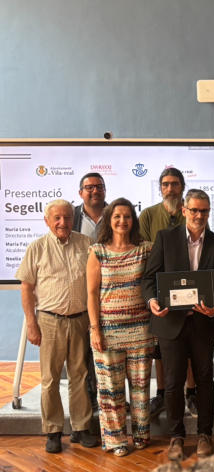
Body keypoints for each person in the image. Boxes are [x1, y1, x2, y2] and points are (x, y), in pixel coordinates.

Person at [142, 189, 214, 460]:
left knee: (204, 380)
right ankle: (176, 437)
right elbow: (149, 278)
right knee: (172, 382)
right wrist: (152, 301)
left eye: (204, 211)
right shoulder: (165, 238)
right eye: (194, 210)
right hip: (171, 322)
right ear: (184, 210)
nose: (199, 215)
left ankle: (205, 434)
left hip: (204, 322)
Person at [16, 199, 99, 454]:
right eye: (57, 218)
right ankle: (53, 431)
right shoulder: (37, 247)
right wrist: (32, 324)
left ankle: (81, 428)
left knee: (80, 376)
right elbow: (26, 288)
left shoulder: (86, 243)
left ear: (73, 219)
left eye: (67, 217)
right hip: (49, 322)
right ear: (47, 221)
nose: (63, 222)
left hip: (81, 320)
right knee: (50, 379)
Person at [86, 198, 155, 457]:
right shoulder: (98, 252)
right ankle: (116, 441)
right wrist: (95, 329)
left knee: (140, 388)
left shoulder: (145, 249)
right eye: (117, 216)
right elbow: (92, 294)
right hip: (107, 332)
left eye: (127, 216)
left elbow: (153, 284)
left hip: (141, 330)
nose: (122, 221)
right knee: (110, 391)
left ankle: (141, 435)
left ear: (133, 220)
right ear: (109, 220)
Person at [140, 168, 196, 418]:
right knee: (160, 348)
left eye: (175, 184)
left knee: (191, 344)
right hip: (159, 290)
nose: (170, 189)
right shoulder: (148, 215)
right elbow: (143, 251)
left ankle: (191, 393)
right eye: (165, 184)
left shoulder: (192, 212)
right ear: (160, 188)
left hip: (190, 287)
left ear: (182, 187)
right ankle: (161, 394)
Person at [72, 172, 109, 408]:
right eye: (89, 187)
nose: (95, 191)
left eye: (99, 186)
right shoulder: (72, 216)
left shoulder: (116, 213)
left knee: (108, 345)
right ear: (81, 192)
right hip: (82, 290)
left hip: (113, 288)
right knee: (86, 348)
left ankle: (112, 395)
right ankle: (90, 396)